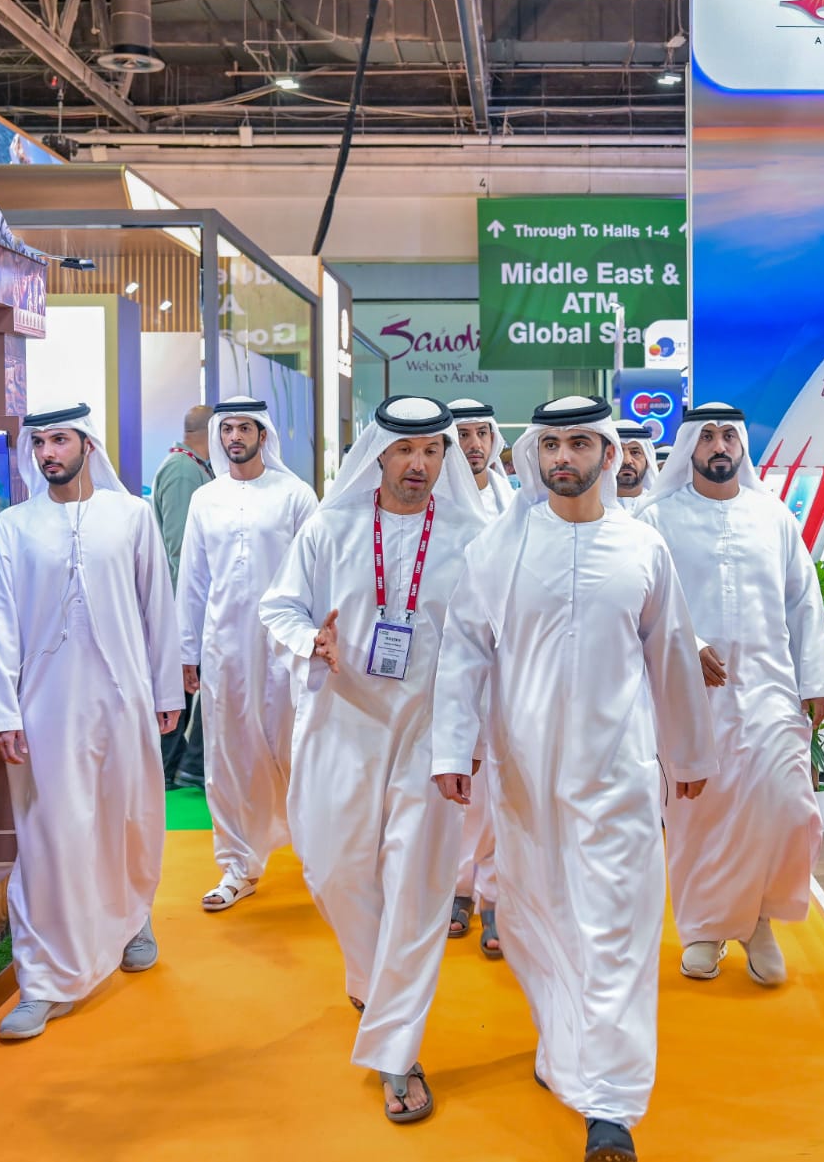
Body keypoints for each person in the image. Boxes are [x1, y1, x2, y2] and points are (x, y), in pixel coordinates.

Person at [432, 395, 717, 1162]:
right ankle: (564, 1047)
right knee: (537, 926)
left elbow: (672, 654)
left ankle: (610, 1106)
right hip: (525, 782)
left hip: (618, 776)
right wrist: (453, 749)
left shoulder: (642, 548)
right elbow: (463, 649)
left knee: (617, 931)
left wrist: (689, 755)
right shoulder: (500, 547)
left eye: (580, 443)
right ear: (536, 453)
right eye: (553, 444)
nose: (565, 457)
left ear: (607, 451)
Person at [259, 395, 485, 1125]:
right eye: (405, 450)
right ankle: (371, 980)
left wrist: (474, 737)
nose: (418, 464)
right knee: (332, 871)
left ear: (444, 457)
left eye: (432, 451)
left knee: (417, 887)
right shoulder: (330, 528)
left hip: (430, 735)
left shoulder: (472, 537)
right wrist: (311, 641)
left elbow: (491, 640)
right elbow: (278, 607)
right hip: (341, 727)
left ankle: (397, 1051)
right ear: (379, 454)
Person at [0, 402, 184, 1041]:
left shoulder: (132, 516)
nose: (48, 453)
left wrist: (166, 689)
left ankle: (131, 916)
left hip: (123, 697)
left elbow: (157, 608)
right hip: (45, 706)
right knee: (49, 835)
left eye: (60, 440)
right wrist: (3, 711)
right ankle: (43, 980)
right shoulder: (13, 527)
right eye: (39, 443)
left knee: (129, 817)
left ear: (87, 444)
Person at [636, 402, 824, 988]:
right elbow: (646, 600)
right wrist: (689, 645)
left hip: (770, 689)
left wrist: (815, 680)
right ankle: (703, 928)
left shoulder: (772, 517)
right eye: (707, 437)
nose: (719, 446)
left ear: (741, 444)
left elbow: (804, 600)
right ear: (689, 447)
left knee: (787, 808)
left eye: (728, 436)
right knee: (699, 813)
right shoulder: (656, 518)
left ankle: (758, 919)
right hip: (689, 695)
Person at [176, 397, 317, 912]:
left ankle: (321, 858)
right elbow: (193, 579)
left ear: (263, 434)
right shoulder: (205, 499)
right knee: (228, 755)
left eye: (245, 428)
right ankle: (238, 865)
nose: (235, 437)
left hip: (285, 648)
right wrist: (185, 650)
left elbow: (317, 572)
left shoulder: (295, 495)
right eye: (228, 428)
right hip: (225, 649)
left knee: (297, 750)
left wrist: (315, 642)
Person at [446, 398, 515, 959]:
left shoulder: (513, 500)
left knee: (496, 783)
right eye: (463, 434)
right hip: (448, 659)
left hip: (507, 663)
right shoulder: (435, 499)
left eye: (481, 434)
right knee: (454, 775)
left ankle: (492, 894)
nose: (473, 445)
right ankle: (456, 888)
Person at [151, 404, 215, 789]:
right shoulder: (182, 471)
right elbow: (180, 549)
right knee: (180, 689)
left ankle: (180, 766)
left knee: (188, 690)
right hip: (182, 606)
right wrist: (185, 614)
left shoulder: (194, 468)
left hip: (190, 605)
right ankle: (166, 769)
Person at [613, 423, 659, 514]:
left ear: (648, 461)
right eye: (619, 453)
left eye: (635, 453)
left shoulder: (660, 508)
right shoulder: (591, 509)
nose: (627, 461)